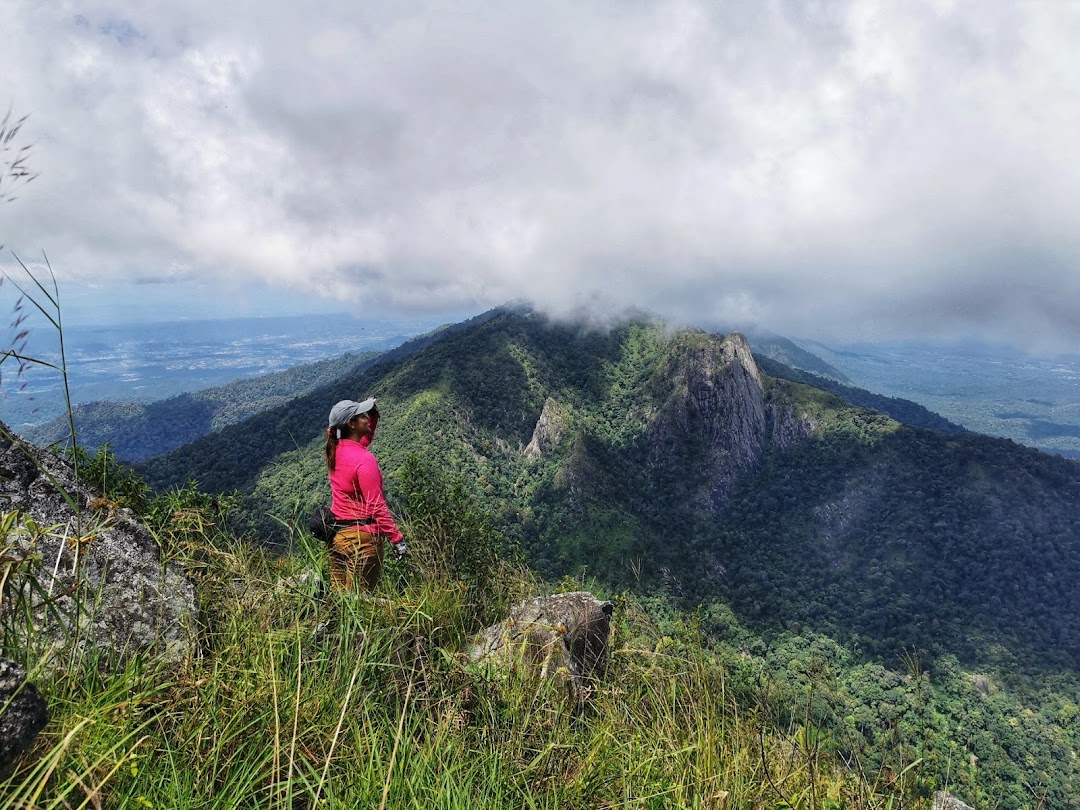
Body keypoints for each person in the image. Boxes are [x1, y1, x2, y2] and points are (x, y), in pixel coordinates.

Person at [325, 397, 406, 591]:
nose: (366, 420)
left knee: (340, 598)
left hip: (338, 537)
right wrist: (397, 539)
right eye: (363, 416)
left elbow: (363, 441)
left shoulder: (335, 450)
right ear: (352, 424)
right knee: (359, 601)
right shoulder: (364, 460)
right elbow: (376, 505)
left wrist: (373, 415)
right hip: (362, 541)